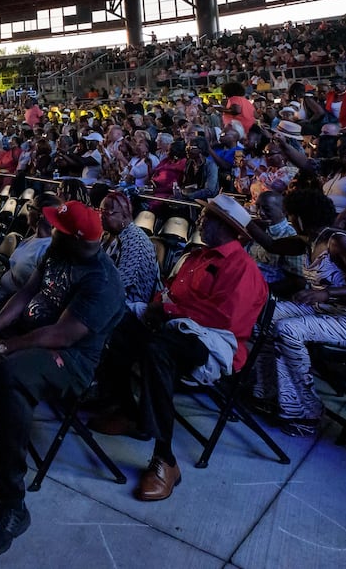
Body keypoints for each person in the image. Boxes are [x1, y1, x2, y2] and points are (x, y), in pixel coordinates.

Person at [0, 200, 123, 558]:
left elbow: (62, 334)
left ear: (78, 239)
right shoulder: (57, 251)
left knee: (13, 372)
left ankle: (11, 505)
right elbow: (27, 292)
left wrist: (6, 347)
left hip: (69, 360)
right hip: (30, 330)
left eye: (59, 228)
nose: (52, 231)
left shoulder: (103, 282)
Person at [94, 195, 268, 502]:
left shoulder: (242, 268)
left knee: (156, 350)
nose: (200, 221)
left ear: (226, 227)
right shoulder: (198, 257)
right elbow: (167, 293)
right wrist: (159, 309)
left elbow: (226, 319)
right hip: (176, 328)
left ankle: (165, 459)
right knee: (117, 325)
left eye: (207, 217)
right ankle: (130, 411)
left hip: (213, 342)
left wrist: (169, 312)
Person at [251, 213, 346, 437]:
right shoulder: (306, 241)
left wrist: (327, 293)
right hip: (324, 313)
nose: (289, 221)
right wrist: (244, 222)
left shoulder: (338, 241)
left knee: (287, 329)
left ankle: (307, 412)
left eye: (291, 216)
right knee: (264, 315)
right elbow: (271, 244)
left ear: (301, 218)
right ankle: (269, 393)